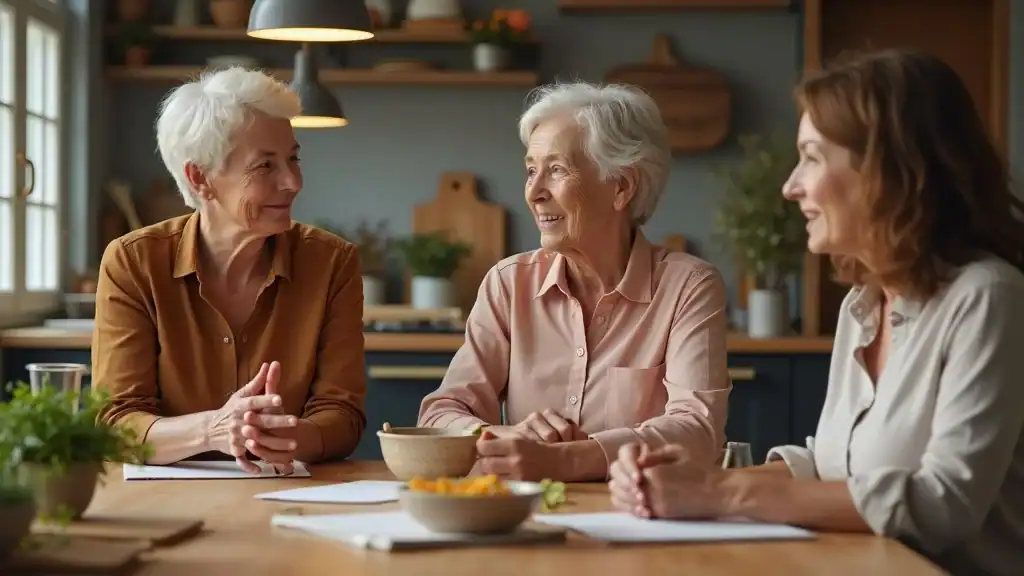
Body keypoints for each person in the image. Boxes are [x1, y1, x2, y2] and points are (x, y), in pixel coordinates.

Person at [608, 49, 1024, 576]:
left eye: (812, 155)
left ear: (886, 168)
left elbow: (944, 505)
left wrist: (720, 492)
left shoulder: (988, 297)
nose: (791, 185)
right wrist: (684, 477)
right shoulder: (862, 306)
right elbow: (832, 465)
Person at [417, 82, 732, 482]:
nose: (533, 192)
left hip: (641, 520)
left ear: (621, 186)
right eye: (531, 170)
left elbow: (697, 432)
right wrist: (502, 436)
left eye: (557, 169)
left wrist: (564, 461)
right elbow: (441, 412)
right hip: (526, 518)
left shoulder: (689, 286)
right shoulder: (508, 284)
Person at [93, 67, 367, 474]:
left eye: (293, 158)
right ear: (199, 177)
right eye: (265, 166)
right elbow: (116, 422)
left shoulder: (332, 262)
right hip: (160, 501)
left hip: (286, 495)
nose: (293, 181)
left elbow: (342, 415)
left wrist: (286, 435)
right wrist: (214, 430)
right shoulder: (133, 263)